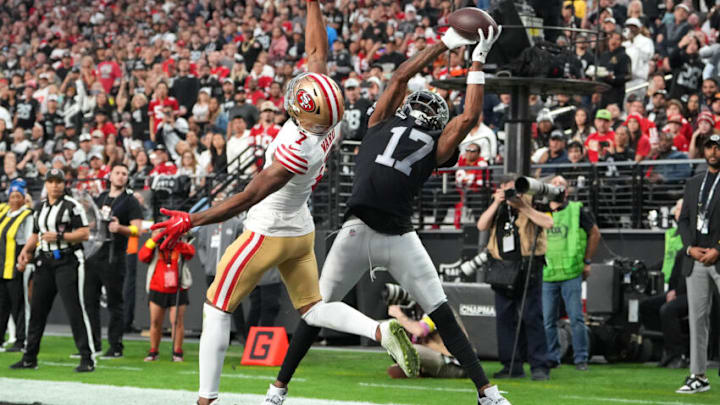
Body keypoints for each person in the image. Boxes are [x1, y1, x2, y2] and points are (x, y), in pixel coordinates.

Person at [153, 4, 421, 405]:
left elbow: (247, 196)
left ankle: (206, 398)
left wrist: (192, 220)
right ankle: (380, 331)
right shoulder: (327, 119)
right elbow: (317, 54)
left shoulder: (297, 148)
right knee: (312, 308)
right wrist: (313, 3)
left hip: (268, 231)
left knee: (216, 308)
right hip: (301, 230)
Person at [264, 21, 511, 405]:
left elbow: (400, 75)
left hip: (356, 230)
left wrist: (443, 44)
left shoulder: (378, 121)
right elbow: (468, 117)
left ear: (406, 107)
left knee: (316, 312)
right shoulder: (436, 145)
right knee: (441, 311)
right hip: (398, 236)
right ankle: (487, 393)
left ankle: (278, 389)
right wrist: (477, 59)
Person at [10, 168, 94, 372]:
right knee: (37, 311)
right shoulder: (40, 207)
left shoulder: (71, 206)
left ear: (64, 184)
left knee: (75, 309)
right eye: (51, 181)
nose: (55, 185)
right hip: (44, 262)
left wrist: (60, 237)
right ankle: (30, 357)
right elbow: (36, 233)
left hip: (67, 260)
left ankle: (87, 358)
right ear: (46, 184)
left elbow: (84, 233)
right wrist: (26, 251)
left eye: (58, 181)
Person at [478, 174, 554, 381]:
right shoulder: (499, 206)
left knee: (532, 317)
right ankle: (511, 365)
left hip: (529, 266)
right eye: (507, 188)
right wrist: (496, 203)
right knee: (505, 319)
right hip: (502, 267)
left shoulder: (532, 202)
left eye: (514, 189)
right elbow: (481, 225)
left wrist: (523, 207)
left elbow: (548, 222)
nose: (512, 193)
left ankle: (540, 365)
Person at [675, 134, 720, 394]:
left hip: (717, 255)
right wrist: (690, 247)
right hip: (696, 259)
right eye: (709, 147)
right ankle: (698, 376)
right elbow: (683, 220)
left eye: (717, 147)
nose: (713, 151)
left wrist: (717, 249)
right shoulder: (693, 183)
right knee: (697, 319)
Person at [84, 164, 143, 359]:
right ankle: (93, 344)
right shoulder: (100, 198)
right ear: (110, 176)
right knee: (89, 301)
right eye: (117, 173)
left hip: (114, 256)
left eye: (124, 174)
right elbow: (92, 222)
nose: (120, 176)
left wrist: (121, 228)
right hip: (94, 255)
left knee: (114, 303)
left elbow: (137, 229)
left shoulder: (130, 200)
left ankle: (116, 345)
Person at [542, 176, 600, 371]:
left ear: (567, 190)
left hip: (571, 271)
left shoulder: (577, 211)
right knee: (548, 320)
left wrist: (587, 261)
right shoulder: (541, 211)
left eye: (562, 185)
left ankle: (581, 358)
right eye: (555, 184)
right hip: (547, 273)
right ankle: (552, 358)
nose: (558, 188)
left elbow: (595, 233)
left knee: (576, 318)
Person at [640, 199, 689, 369]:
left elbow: (688, 268)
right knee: (646, 306)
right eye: (677, 209)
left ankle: (678, 353)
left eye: (683, 208)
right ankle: (662, 347)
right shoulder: (672, 234)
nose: (680, 211)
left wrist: (677, 290)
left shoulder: (693, 235)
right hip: (673, 284)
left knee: (667, 310)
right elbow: (670, 262)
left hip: (691, 289)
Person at [138, 230, 194, 362]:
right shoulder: (155, 246)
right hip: (157, 287)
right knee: (155, 322)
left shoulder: (180, 244)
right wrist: (154, 239)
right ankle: (153, 351)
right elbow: (142, 256)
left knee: (177, 322)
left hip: (178, 288)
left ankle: (177, 351)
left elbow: (190, 253)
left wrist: (176, 240)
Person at [0, 182, 33, 353]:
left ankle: (21, 340)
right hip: (2, 266)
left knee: (19, 304)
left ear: (23, 199)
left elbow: (29, 239)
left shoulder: (27, 215)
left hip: (17, 266)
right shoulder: (4, 212)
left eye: (17, 197)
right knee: (2, 305)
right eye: (11, 196)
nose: (13, 200)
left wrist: (25, 259)